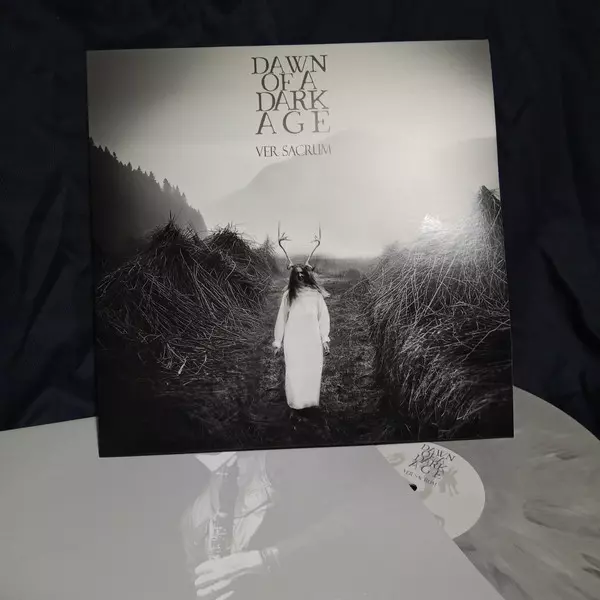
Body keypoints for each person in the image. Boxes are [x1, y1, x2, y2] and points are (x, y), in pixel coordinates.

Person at [272, 265, 330, 410]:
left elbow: (323, 317)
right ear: (293, 277)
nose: (300, 277)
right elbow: (281, 319)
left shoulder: (316, 295)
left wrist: (324, 338)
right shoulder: (288, 295)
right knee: (295, 370)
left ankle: (309, 402)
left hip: (312, 340)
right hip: (294, 340)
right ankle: (296, 402)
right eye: (297, 274)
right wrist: (278, 341)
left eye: (302, 274)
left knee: (311, 370)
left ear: (307, 275)